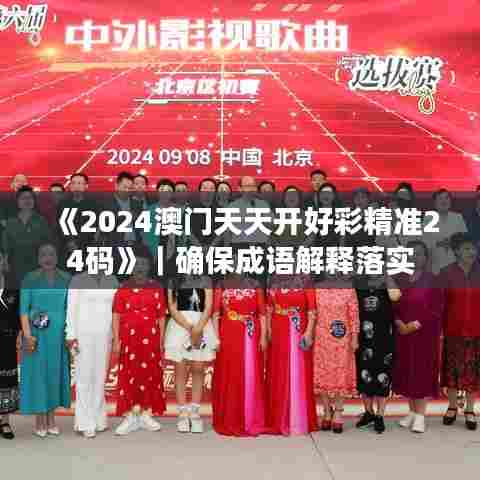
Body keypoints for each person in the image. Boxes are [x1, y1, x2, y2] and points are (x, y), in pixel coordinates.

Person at [112, 248, 167, 435]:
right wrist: (116, 340)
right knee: (129, 374)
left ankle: (145, 414)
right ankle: (130, 416)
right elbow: (116, 315)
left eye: (143, 264)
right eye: (136, 264)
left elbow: (161, 316)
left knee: (149, 374)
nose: (140, 267)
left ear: (149, 267)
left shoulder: (156, 287)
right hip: (129, 338)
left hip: (150, 338)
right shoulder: (123, 288)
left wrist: (161, 340)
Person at [19, 243, 71, 438]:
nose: (47, 258)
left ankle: (51, 419)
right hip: (37, 333)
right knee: (38, 375)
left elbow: (70, 307)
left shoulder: (66, 278)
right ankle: (40, 421)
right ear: (38, 258)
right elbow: (23, 310)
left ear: (57, 257)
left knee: (53, 375)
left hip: (58, 334)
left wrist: (69, 333)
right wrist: (27, 335)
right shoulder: (30, 278)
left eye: (51, 254)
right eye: (43, 255)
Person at [392, 241, 445, 434]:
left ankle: (421, 415)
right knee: (407, 371)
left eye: (419, 253)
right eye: (411, 253)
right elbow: (393, 305)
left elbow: (437, 308)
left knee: (421, 371)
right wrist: (399, 323)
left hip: (424, 335)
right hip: (403, 335)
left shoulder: (434, 280)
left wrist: (414, 325)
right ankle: (412, 412)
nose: (415, 257)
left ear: (426, 257)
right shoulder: (400, 278)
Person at [212, 274, 268, 436]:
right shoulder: (222, 284)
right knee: (231, 373)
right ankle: (230, 417)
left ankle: (250, 418)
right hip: (228, 332)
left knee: (250, 373)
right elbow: (215, 314)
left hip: (251, 333)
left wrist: (263, 336)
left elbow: (262, 313)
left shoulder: (255, 284)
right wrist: (216, 338)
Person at [65, 270, 119, 438]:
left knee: (100, 377)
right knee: (84, 378)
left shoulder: (112, 280)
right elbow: (71, 309)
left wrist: (116, 335)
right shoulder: (78, 280)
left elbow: (116, 310)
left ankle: (98, 419)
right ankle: (85, 422)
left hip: (105, 335)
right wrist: (71, 335)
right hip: (83, 335)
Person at [265, 276, 318, 435]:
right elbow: (269, 307)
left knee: (298, 371)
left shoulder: (305, 280)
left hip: (299, 327)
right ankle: (279, 417)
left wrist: (309, 332)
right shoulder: (274, 280)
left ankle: (298, 418)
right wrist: (269, 329)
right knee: (279, 371)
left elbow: (312, 309)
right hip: (278, 327)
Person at [165, 277, 218, 433]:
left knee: (198, 368)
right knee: (180, 370)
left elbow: (208, 306)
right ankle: (182, 413)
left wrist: (198, 328)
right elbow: (172, 307)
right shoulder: (173, 280)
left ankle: (195, 413)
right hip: (180, 326)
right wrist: (189, 327)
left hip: (202, 325)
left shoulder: (206, 280)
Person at [439, 233, 480, 431]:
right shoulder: (446, 272)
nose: (471, 252)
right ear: (456, 251)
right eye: (466, 249)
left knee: (473, 372)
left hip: (477, 330)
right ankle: (452, 406)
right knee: (452, 371)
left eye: (473, 248)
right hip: (452, 329)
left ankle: (471, 409)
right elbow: (440, 304)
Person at [313, 274, 360, 434]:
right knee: (323, 375)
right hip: (321, 339)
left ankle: (338, 412)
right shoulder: (317, 288)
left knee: (341, 375)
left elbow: (354, 315)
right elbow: (312, 313)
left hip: (342, 340)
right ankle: (327, 411)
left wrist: (354, 337)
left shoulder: (348, 288)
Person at [355, 274, 401, 434]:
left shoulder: (387, 281)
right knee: (364, 375)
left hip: (384, 338)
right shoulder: (358, 282)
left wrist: (386, 277)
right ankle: (369, 413)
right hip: (364, 338)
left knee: (383, 376)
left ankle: (380, 415)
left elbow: (395, 296)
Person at [3, 186, 53, 285]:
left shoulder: (41, 221)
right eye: (23, 198)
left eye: (30, 198)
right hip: (15, 266)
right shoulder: (11, 222)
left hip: (36, 265)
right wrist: (5, 260)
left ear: (34, 201)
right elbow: (6, 244)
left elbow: (47, 243)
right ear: (18, 202)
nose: (27, 201)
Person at [0, 250, 20, 440]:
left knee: (6, 380)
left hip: (7, 340)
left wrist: (20, 333)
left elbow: (19, 313)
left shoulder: (13, 286)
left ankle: (5, 421)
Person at [423, 189, 467, 274]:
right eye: (440, 198)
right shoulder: (428, 219)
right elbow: (426, 246)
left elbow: (464, 242)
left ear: (450, 201)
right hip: (436, 265)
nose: (444, 201)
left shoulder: (458, 217)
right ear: (435, 203)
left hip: (456, 264)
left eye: (447, 198)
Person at [57, 173, 98, 251]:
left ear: (86, 186)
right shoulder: (62, 204)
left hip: (87, 246)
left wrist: (77, 243)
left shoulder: (93, 204)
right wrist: (69, 241)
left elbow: (93, 227)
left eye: (79, 183)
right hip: (66, 246)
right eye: (73, 183)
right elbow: (60, 225)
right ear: (70, 186)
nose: (76, 186)